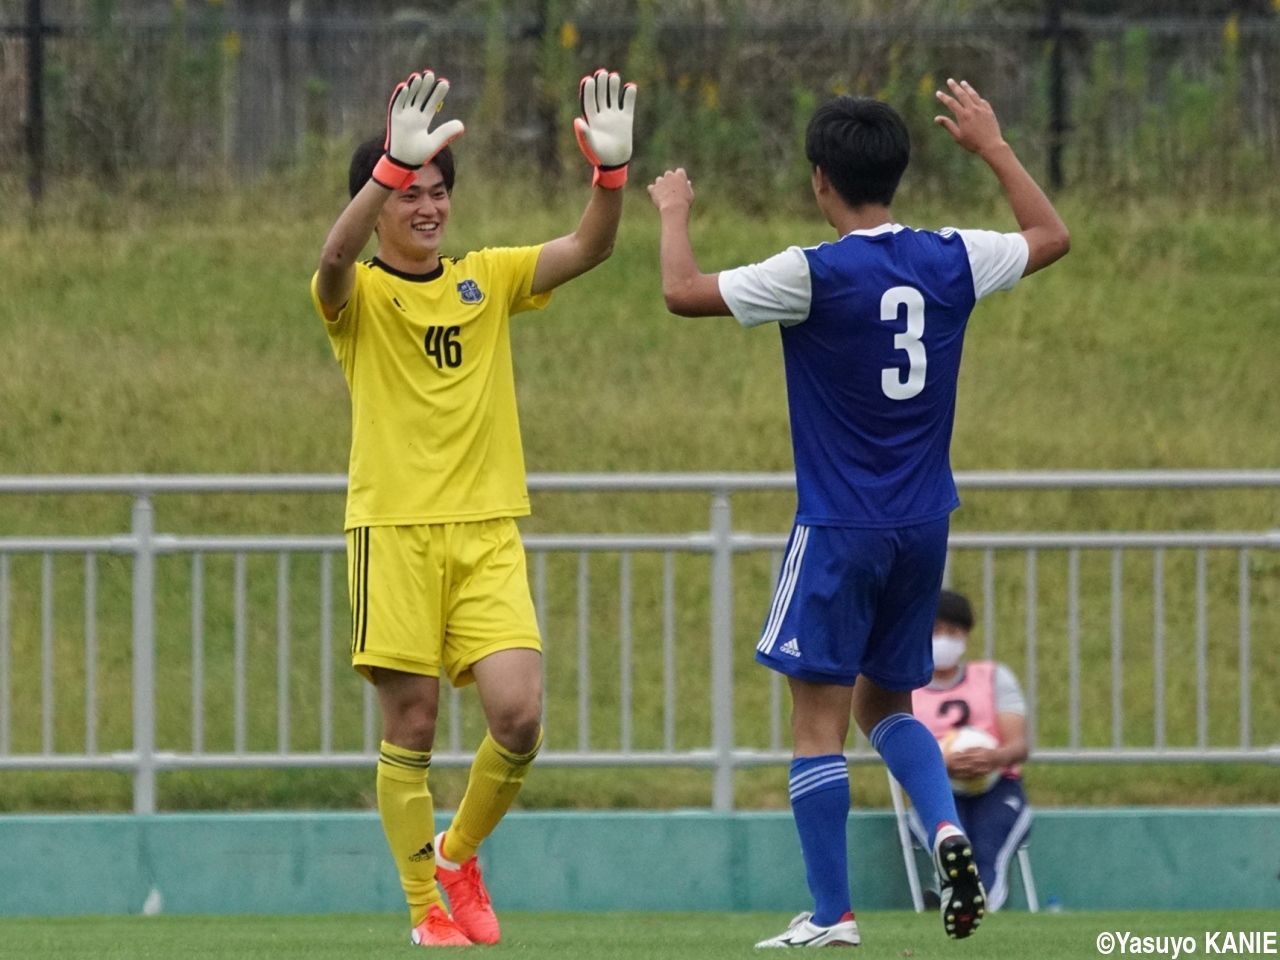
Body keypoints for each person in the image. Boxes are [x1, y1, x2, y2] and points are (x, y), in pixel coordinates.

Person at [648, 79, 1068, 947]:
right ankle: (949, 827)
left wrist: (673, 208)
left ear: (819, 181)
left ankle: (832, 912)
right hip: (923, 525)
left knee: (817, 723)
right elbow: (1050, 236)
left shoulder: (809, 272)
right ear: (901, 173)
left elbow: (681, 290)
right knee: (888, 708)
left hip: (840, 526)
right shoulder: (953, 256)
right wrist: (991, 145)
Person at [310, 67, 636, 948]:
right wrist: (385, 165)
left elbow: (588, 249)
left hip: (487, 529)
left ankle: (458, 854)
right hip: (394, 531)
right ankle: (426, 911)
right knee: (412, 722)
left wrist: (610, 178)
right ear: (377, 201)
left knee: (519, 715)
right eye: (409, 190)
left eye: (437, 191)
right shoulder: (359, 296)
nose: (426, 205)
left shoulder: (487, 279)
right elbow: (332, 262)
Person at [910, 589, 1032, 913]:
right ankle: (956, 902)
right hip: (935, 787)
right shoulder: (905, 689)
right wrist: (940, 762)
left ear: (965, 636)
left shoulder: (993, 677)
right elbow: (898, 751)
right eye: (934, 631)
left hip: (997, 786)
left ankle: (977, 911)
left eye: (952, 632)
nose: (943, 640)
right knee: (954, 848)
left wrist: (993, 758)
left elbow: (1019, 744)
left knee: (987, 848)